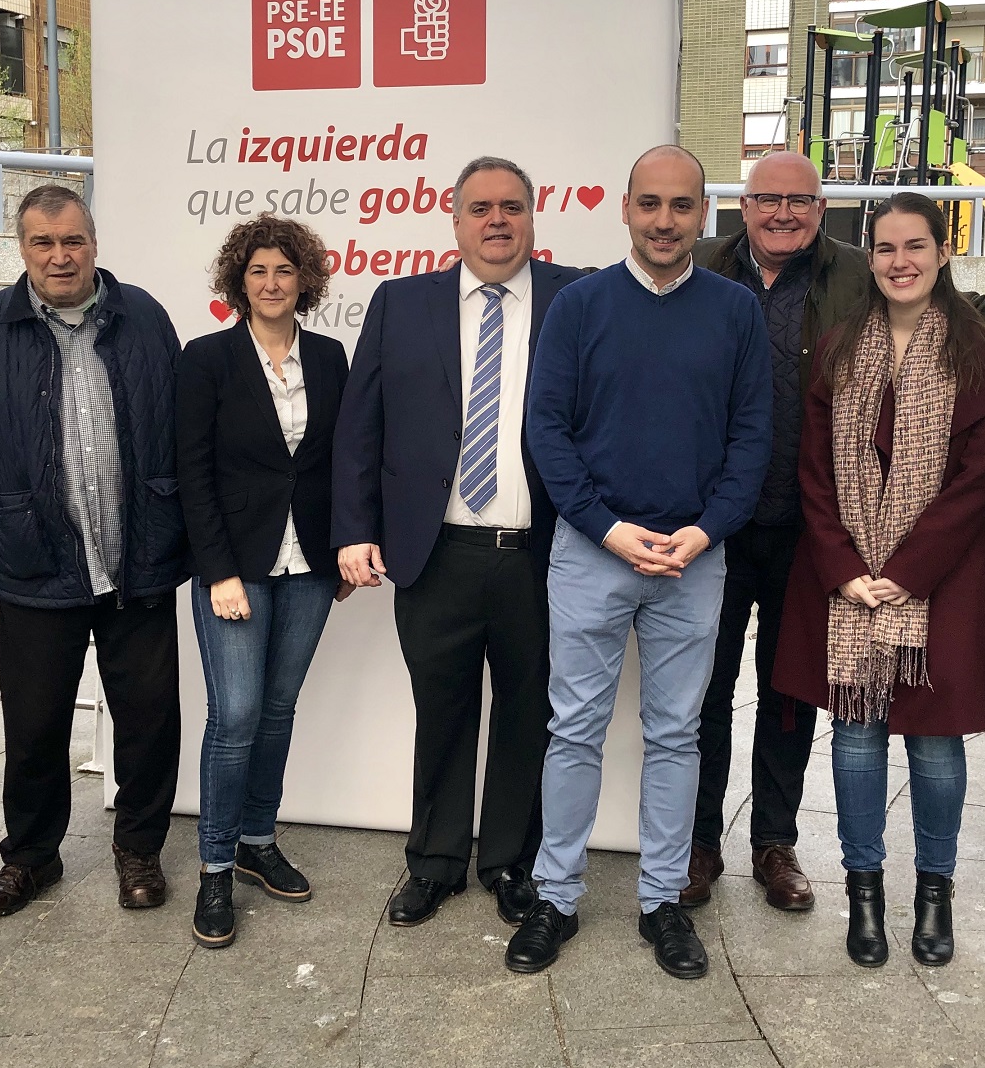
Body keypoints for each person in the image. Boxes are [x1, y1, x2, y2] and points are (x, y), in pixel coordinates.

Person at [686, 153, 985, 910]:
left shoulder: (853, 271)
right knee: (704, 692)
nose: (783, 212)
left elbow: (956, 308)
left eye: (800, 199)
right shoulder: (702, 269)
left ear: (823, 209)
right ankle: (698, 842)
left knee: (789, 702)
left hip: (810, 539)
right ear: (741, 206)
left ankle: (773, 843)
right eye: (767, 198)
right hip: (718, 524)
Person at [508, 145, 772, 980]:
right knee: (573, 731)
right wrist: (604, 526)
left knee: (676, 735)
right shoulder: (580, 304)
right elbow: (545, 428)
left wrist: (705, 531)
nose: (665, 221)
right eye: (649, 204)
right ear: (623, 208)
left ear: (704, 214)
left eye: (681, 206)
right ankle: (555, 895)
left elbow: (751, 437)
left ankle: (662, 900)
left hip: (694, 559)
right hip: (592, 554)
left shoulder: (734, 311)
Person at [332, 157, 584, 929]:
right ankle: (435, 860)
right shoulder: (401, 302)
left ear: (534, 218)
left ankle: (509, 860)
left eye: (512, 206)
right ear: (454, 220)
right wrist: (353, 529)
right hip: (433, 551)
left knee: (526, 713)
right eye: (480, 208)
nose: (496, 220)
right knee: (440, 709)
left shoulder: (577, 297)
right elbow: (358, 427)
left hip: (540, 554)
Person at [0, 185, 189, 917]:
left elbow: (182, 425)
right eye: (43, 242)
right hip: (36, 565)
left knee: (147, 718)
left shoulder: (144, 316)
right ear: (23, 249)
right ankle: (32, 857)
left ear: (95, 242)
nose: (60, 255)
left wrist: (177, 518)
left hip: (140, 560)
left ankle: (138, 850)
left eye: (72, 239)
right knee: (34, 725)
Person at [771, 192, 985, 969]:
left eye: (914, 246)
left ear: (942, 252)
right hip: (844, 584)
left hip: (943, 583)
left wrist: (903, 573)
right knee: (854, 736)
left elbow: (978, 481)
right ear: (867, 257)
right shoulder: (841, 348)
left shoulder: (977, 349)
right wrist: (844, 568)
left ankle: (934, 892)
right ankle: (863, 890)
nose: (898, 261)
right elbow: (814, 470)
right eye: (883, 248)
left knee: (936, 748)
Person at [177, 216, 352, 950]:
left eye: (285, 270)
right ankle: (215, 865)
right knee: (236, 714)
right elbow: (192, 473)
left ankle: (256, 838)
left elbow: (343, 461)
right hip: (235, 568)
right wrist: (217, 570)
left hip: (309, 565)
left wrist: (342, 551)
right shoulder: (207, 358)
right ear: (237, 283)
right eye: (257, 271)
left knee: (277, 709)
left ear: (304, 280)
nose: (272, 282)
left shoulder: (331, 355)